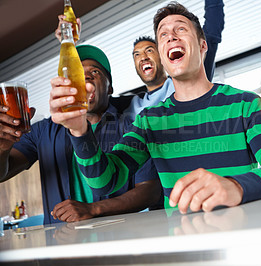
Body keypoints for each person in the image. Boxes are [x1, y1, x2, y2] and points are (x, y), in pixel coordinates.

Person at [50, 2, 261, 215]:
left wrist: (236, 186)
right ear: (163, 56)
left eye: (180, 29)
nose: (171, 37)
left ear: (203, 46)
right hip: (181, 247)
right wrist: (79, 131)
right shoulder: (148, 121)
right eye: (163, 35)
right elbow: (105, 180)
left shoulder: (246, 104)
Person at [0, 45, 161, 224]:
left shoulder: (133, 125)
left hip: (119, 242)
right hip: (64, 245)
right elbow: (2, 173)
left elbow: (150, 191)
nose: (85, 76)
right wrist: (3, 147)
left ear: (110, 88)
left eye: (95, 72)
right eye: (76, 74)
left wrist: (94, 210)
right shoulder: (43, 131)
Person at [124, 0, 224, 118]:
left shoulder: (187, 78)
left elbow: (212, 30)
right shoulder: (129, 107)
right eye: (137, 54)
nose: (143, 58)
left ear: (162, 55)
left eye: (149, 50)